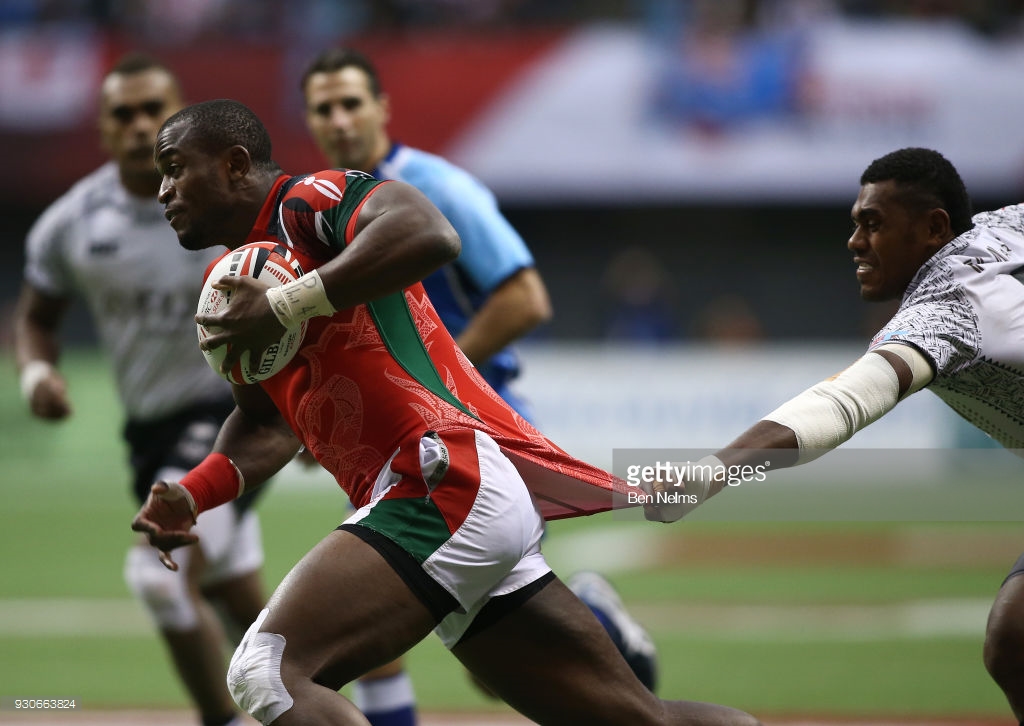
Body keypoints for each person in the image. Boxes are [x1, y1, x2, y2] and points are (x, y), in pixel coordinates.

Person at [132, 98, 760, 726]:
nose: (162, 190)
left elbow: (428, 232)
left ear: (236, 164)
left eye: (174, 168)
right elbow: (268, 423)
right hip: (449, 493)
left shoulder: (309, 201)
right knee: (638, 721)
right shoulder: (230, 277)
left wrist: (289, 304)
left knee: (267, 669)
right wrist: (194, 492)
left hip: (439, 476)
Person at [299, 46, 658, 717]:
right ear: (309, 120)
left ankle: (612, 642)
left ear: (383, 108)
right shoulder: (327, 208)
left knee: (461, 644)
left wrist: (428, 380)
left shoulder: (438, 189)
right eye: (325, 108)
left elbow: (525, 298)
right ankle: (608, 641)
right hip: (405, 446)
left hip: (479, 443)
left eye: (353, 102)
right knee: (447, 649)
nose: (341, 119)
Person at [641, 146, 1024, 723]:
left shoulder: (947, 309)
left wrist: (713, 472)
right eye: (854, 223)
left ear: (934, 228)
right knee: (1015, 640)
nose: (854, 241)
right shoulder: (1002, 227)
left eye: (873, 224)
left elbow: (844, 403)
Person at [13, 56, 266, 726]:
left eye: (153, 109)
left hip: (229, 414)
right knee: (244, 607)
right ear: (102, 126)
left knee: (154, 572)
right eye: (123, 113)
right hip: (148, 432)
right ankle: (362, 707)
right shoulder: (73, 223)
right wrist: (38, 372)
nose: (139, 124)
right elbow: (37, 314)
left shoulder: (228, 201)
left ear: (179, 116)